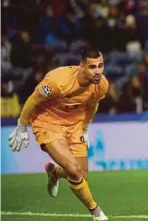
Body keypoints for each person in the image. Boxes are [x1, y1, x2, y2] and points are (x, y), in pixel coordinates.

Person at [8, 47, 109, 221]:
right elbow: (33, 100)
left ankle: (54, 173)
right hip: (48, 123)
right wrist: (22, 126)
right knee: (74, 170)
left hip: (75, 125)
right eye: (92, 67)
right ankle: (96, 211)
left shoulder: (101, 85)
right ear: (82, 66)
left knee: (81, 175)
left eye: (100, 66)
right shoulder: (57, 81)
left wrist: (85, 127)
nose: (98, 71)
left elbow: (93, 104)